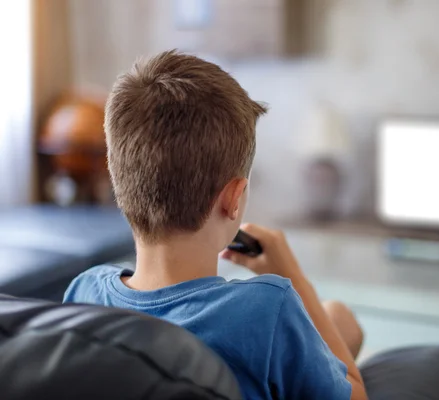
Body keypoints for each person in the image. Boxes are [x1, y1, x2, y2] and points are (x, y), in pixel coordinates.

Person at [63, 50, 367, 400]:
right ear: (233, 198)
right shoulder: (267, 308)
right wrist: (292, 274)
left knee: (337, 318)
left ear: (119, 180)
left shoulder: (84, 292)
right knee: (339, 321)